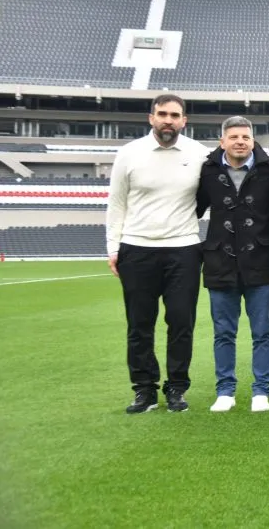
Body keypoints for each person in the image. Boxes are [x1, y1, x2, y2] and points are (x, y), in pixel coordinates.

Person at [106, 93, 209, 414]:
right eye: (162, 114)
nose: (168, 120)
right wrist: (114, 248)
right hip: (137, 249)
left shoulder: (200, 154)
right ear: (151, 118)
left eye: (174, 115)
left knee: (181, 323)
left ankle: (176, 387)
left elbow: (209, 199)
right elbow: (116, 203)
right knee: (139, 325)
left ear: (184, 121)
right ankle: (144, 390)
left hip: (184, 249)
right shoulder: (129, 153)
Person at [196, 116, 269, 413]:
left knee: (263, 332)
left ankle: (261, 391)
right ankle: (225, 390)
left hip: (260, 261)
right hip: (220, 262)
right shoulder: (206, 170)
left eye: (245, 136)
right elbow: (191, 208)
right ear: (223, 141)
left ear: (253, 139)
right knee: (223, 332)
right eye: (234, 137)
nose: (240, 141)